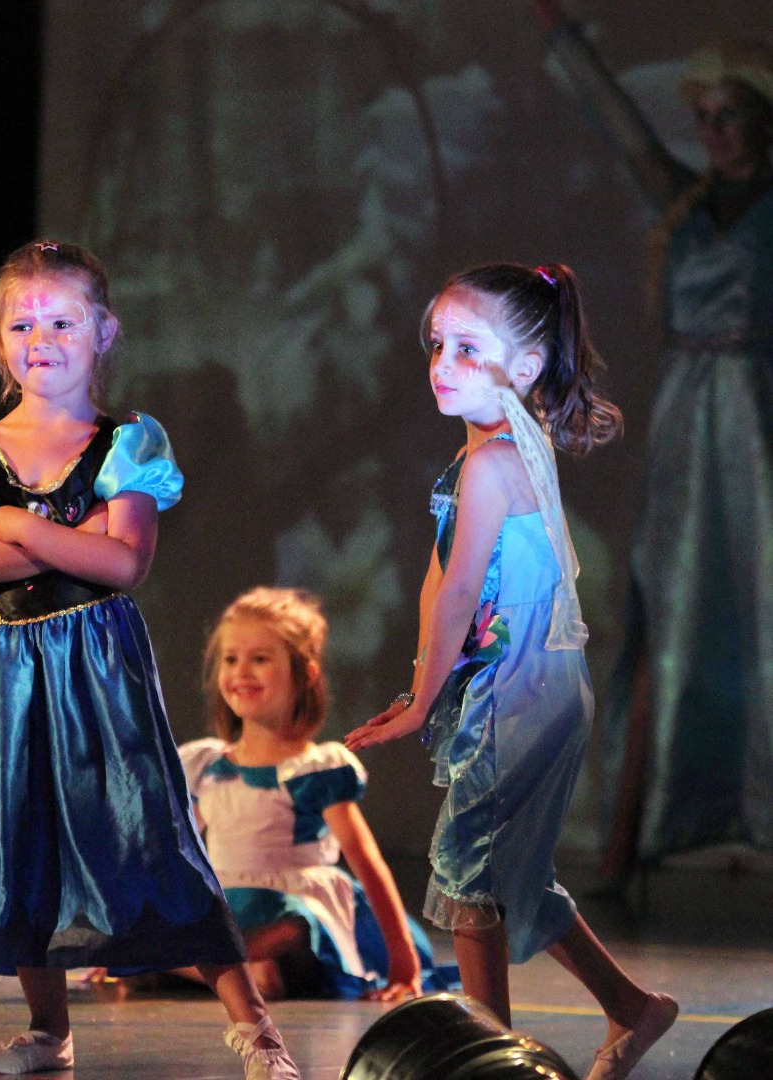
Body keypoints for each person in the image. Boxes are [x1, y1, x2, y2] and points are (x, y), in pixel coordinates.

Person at [0, 240, 300, 1079]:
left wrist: (14, 524)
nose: (41, 337)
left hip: (95, 674)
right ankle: (49, 1027)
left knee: (148, 835)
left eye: (62, 320)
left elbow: (124, 564)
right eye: (22, 323)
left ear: (104, 331)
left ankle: (255, 1026)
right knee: (20, 837)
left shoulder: (125, 442)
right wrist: (66, 539)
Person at [345, 263, 674, 1080]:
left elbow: (461, 591)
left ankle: (486, 1064)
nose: (441, 363)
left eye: (467, 348)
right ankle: (635, 1009)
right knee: (507, 874)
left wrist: (425, 703)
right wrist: (425, 679)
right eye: (437, 345)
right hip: (524, 691)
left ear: (524, 368)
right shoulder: (484, 454)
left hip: (522, 699)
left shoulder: (495, 464)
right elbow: (442, 574)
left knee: (468, 880)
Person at [530, 1, 773, 878]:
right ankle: (641, 833)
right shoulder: (689, 203)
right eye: (702, 118)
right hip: (687, 421)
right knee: (667, 610)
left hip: (759, 419)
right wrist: (564, 38)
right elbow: (620, 125)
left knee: (760, 605)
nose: (712, 133)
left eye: (729, 116)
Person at [177, 587, 451, 1001]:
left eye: (261, 659)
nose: (241, 671)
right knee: (170, 918)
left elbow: (366, 861)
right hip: (232, 903)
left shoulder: (314, 770)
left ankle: (217, 967)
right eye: (231, 659)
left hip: (290, 906)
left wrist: (402, 958)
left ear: (305, 672)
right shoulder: (206, 767)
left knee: (296, 928)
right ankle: (239, 972)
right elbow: (178, 851)